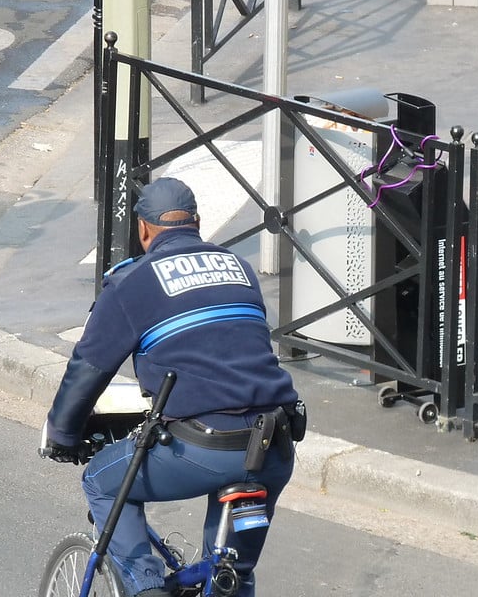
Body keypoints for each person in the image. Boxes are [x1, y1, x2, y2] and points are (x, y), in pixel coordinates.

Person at [42, 177, 299, 597]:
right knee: (230, 575)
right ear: (197, 222)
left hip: (205, 449)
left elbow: (88, 367)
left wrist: (63, 434)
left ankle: (146, 588)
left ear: (142, 230)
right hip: (275, 444)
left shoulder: (131, 283)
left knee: (102, 482)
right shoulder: (239, 267)